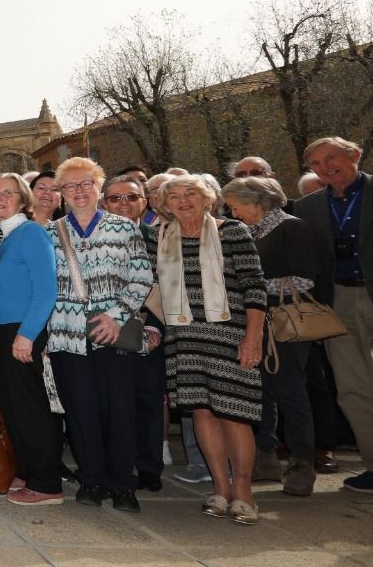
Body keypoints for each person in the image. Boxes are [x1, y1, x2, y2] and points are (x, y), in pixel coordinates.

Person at [148, 174, 267, 524]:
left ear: (207, 198)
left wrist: (253, 337)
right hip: (184, 339)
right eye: (174, 196)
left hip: (230, 337)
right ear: (164, 205)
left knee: (234, 413)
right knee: (201, 413)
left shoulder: (231, 232)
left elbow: (255, 287)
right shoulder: (159, 238)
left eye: (191, 194)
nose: (183, 201)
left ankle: (243, 489)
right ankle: (219, 487)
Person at [46, 157, 153, 513]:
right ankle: (91, 479)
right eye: (70, 186)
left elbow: (141, 277)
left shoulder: (124, 229)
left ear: (99, 189)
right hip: (66, 334)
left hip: (115, 333)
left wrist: (117, 316)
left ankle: (123, 484)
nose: (78, 191)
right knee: (81, 411)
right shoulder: (50, 233)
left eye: (85, 184)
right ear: (61, 193)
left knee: (119, 411)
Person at [223, 176, 320, 496]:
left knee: (289, 391)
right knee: (259, 391)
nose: (233, 212)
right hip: (254, 323)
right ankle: (264, 455)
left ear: (255, 201)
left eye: (236, 206)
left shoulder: (292, 228)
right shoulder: (248, 231)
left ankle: (303, 461)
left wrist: (251, 289)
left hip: (283, 323)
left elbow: (304, 280)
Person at [293, 136, 373, 493]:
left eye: (332, 158)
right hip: (338, 300)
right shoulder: (307, 207)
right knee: (352, 388)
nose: (326, 167)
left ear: (355, 155)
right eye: (316, 164)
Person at [0, 173, 60, 505]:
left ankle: (47, 483)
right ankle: (29, 471)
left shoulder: (30, 233)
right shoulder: (5, 236)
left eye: (8, 193)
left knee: (31, 408)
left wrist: (26, 336)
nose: (0, 199)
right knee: (14, 407)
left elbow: (46, 290)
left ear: (22, 199)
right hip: (5, 333)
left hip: (23, 330)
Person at [102, 175, 167, 491]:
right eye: (115, 198)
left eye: (131, 197)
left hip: (146, 327)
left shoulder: (161, 239)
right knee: (111, 401)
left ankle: (148, 466)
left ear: (145, 202)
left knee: (147, 399)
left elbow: (169, 286)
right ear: (104, 203)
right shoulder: (95, 238)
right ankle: (116, 464)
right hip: (104, 328)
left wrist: (154, 325)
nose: (123, 204)